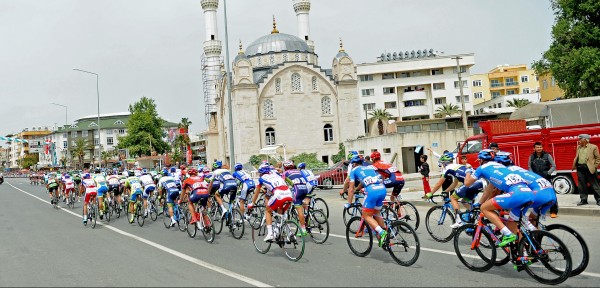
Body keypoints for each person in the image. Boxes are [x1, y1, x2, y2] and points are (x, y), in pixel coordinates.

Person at [464, 149, 534, 247]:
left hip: (516, 194)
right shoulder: (501, 167)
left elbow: (467, 183)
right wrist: (482, 202)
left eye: (479, 160)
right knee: (513, 226)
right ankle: (524, 254)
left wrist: (468, 170)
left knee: (484, 208)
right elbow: (490, 188)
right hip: (529, 193)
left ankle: (507, 234)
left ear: (481, 160)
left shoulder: (482, 168)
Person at [496, 152, 555, 229]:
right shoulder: (517, 168)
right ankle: (536, 239)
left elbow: (497, 191)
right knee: (532, 221)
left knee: (514, 222)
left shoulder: (506, 172)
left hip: (539, 193)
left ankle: (521, 240)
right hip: (550, 193)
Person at [344, 155, 388, 247]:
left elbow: (350, 189)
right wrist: (358, 188)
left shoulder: (354, 170)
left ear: (354, 164)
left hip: (372, 191)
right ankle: (385, 234)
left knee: (366, 215)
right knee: (376, 213)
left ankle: (381, 232)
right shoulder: (368, 167)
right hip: (382, 189)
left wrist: (349, 203)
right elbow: (363, 182)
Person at [248, 163, 294, 242]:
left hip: (279, 194)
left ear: (261, 172)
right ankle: (289, 233)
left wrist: (252, 203)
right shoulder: (275, 174)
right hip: (289, 194)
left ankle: (270, 234)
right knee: (281, 213)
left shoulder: (262, 178)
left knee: (268, 211)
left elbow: (256, 193)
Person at [528, 141, 558, 217]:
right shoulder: (531, 157)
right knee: (537, 194)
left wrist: (548, 173)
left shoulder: (547, 155)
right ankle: (537, 211)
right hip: (536, 179)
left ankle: (553, 211)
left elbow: (554, 166)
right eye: (537, 147)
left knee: (551, 194)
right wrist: (532, 175)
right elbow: (529, 167)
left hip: (546, 177)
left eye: (540, 147)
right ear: (534, 148)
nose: (539, 149)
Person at [281, 160, 309, 236]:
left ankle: (303, 230)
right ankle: (309, 213)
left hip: (297, 190)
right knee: (302, 202)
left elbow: (282, 184)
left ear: (285, 167)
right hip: (305, 188)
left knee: (299, 210)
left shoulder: (285, 173)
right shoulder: (298, 171)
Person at [572, 134, 600, 206]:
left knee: (594, 185)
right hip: (580, 168)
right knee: (582, 185)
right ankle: (583, 200)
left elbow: (598, 158)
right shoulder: (578, 147)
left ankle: (599, 199)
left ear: (585, 140)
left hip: (589, 168)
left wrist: (594, 167)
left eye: (580, 139)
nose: (579, 141)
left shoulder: (593, 147)